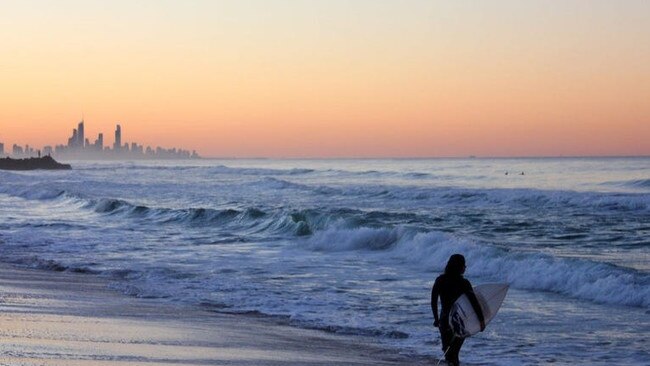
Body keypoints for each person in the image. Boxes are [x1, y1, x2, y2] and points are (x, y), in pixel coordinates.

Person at [431, 254, 485, 366]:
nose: (465, 267)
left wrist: (436, 319)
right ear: (459, 267)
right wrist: (481, 321)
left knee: (448, 351)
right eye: (464, 265)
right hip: (460, 322)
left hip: (444, 320)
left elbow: (433, 301)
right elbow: (474, 303)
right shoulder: (464, 283)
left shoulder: (440, 280)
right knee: (454, 352)